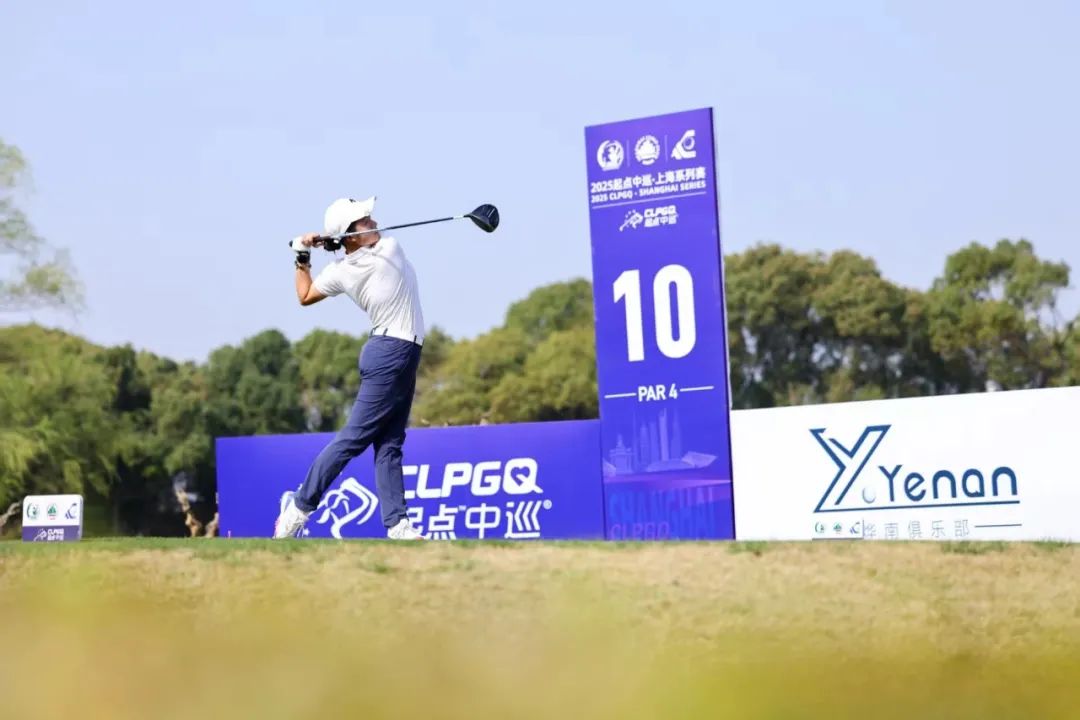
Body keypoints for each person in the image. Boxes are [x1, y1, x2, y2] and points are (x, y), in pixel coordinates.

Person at [273, 196, 427, 540]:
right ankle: (298, 508)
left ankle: (397, 524)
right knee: (353, 439)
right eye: (365, 221)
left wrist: (303, 253)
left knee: (390, 443)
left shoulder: (340, 270)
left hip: (402, 353)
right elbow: (305, 298)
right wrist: (324, 244)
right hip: (390, 353)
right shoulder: (389, 249)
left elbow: (305, 293)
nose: (375, 223)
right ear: (351, 235)